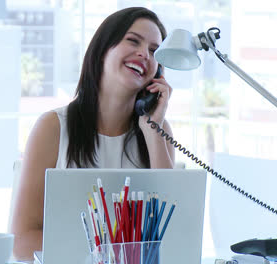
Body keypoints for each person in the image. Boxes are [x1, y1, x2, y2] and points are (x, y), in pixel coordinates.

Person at [10, 7, 175, 261]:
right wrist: (105, 254)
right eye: (133, 41)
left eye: (154, 51)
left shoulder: (157, 129)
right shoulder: (53, 127)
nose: (144, 54)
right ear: (102, 51)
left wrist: (153, 128)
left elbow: (170, 233)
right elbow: (21, 240)